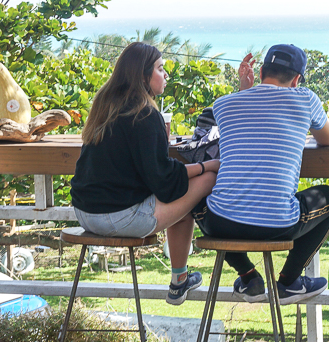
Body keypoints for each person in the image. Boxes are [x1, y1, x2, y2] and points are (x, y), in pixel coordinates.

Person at [71, 42, 220, 306]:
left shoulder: (104, 107)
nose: (166, 75)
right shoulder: (145, 114)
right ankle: (182, 279)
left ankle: (180, 280)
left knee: (181, 194)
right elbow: (163, 182)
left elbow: (152, 173)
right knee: (204, 182)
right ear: (143, 75)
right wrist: (208, 166)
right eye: (161, 69)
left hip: (84, 213)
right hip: (117, 218)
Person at [191, 44, 329, 305]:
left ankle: (249, 278)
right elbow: (327, 139)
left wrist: (244, 90)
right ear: (296, 79)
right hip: (279, 225)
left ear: (261, 72)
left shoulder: (224, 105)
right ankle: (289, 282)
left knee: (195, 197)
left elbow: (247, 118)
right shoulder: (305, 98)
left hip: (221, 222)